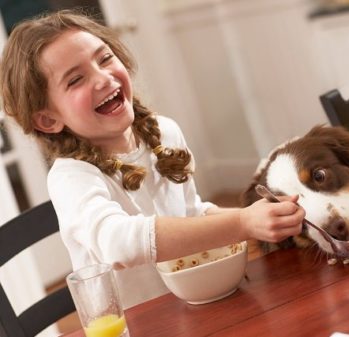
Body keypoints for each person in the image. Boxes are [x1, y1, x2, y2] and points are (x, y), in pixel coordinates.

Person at [0, 10, 305, 308]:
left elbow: (190, 214)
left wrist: (257, 217)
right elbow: (117, 243)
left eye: (105, 58)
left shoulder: (164, 132)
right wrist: (242, 222)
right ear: (48, 120)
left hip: (195, 305)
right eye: (75, 79)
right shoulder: (71, 176)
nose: (103, 78)